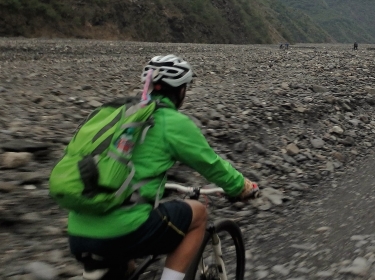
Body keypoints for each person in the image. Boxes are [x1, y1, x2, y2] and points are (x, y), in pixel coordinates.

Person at [67, 55, 258, 280]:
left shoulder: (116, 114)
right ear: (181, 91)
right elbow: (211, 164)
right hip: (122, 230)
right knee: (198, 214)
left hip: (78, 231)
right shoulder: (171, 121)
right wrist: (241, 187)